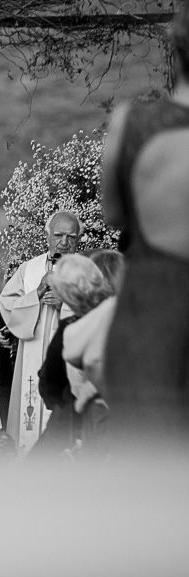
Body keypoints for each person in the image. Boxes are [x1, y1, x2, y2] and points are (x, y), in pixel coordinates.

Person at [99, 0, 189, 450]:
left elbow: (115, 214)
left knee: (147, 462)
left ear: (175, 51)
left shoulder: (133, 122)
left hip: (153, 311)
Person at [0, 210, 82, 454]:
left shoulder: (87, 270)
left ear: (78, 239)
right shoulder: (29, 269)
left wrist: (65, 304)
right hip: (32, 354)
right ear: (47, 235)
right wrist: (36, 295)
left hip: (69, 356)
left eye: (71, 237)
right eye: (58, 235)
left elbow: (100, 309)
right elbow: (8, 304)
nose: (64, 243)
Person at [31, 254, 115, 458]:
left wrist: (67, 400)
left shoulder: (72, 327)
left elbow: (50, 380)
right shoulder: (129, 316)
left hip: (76, 418)